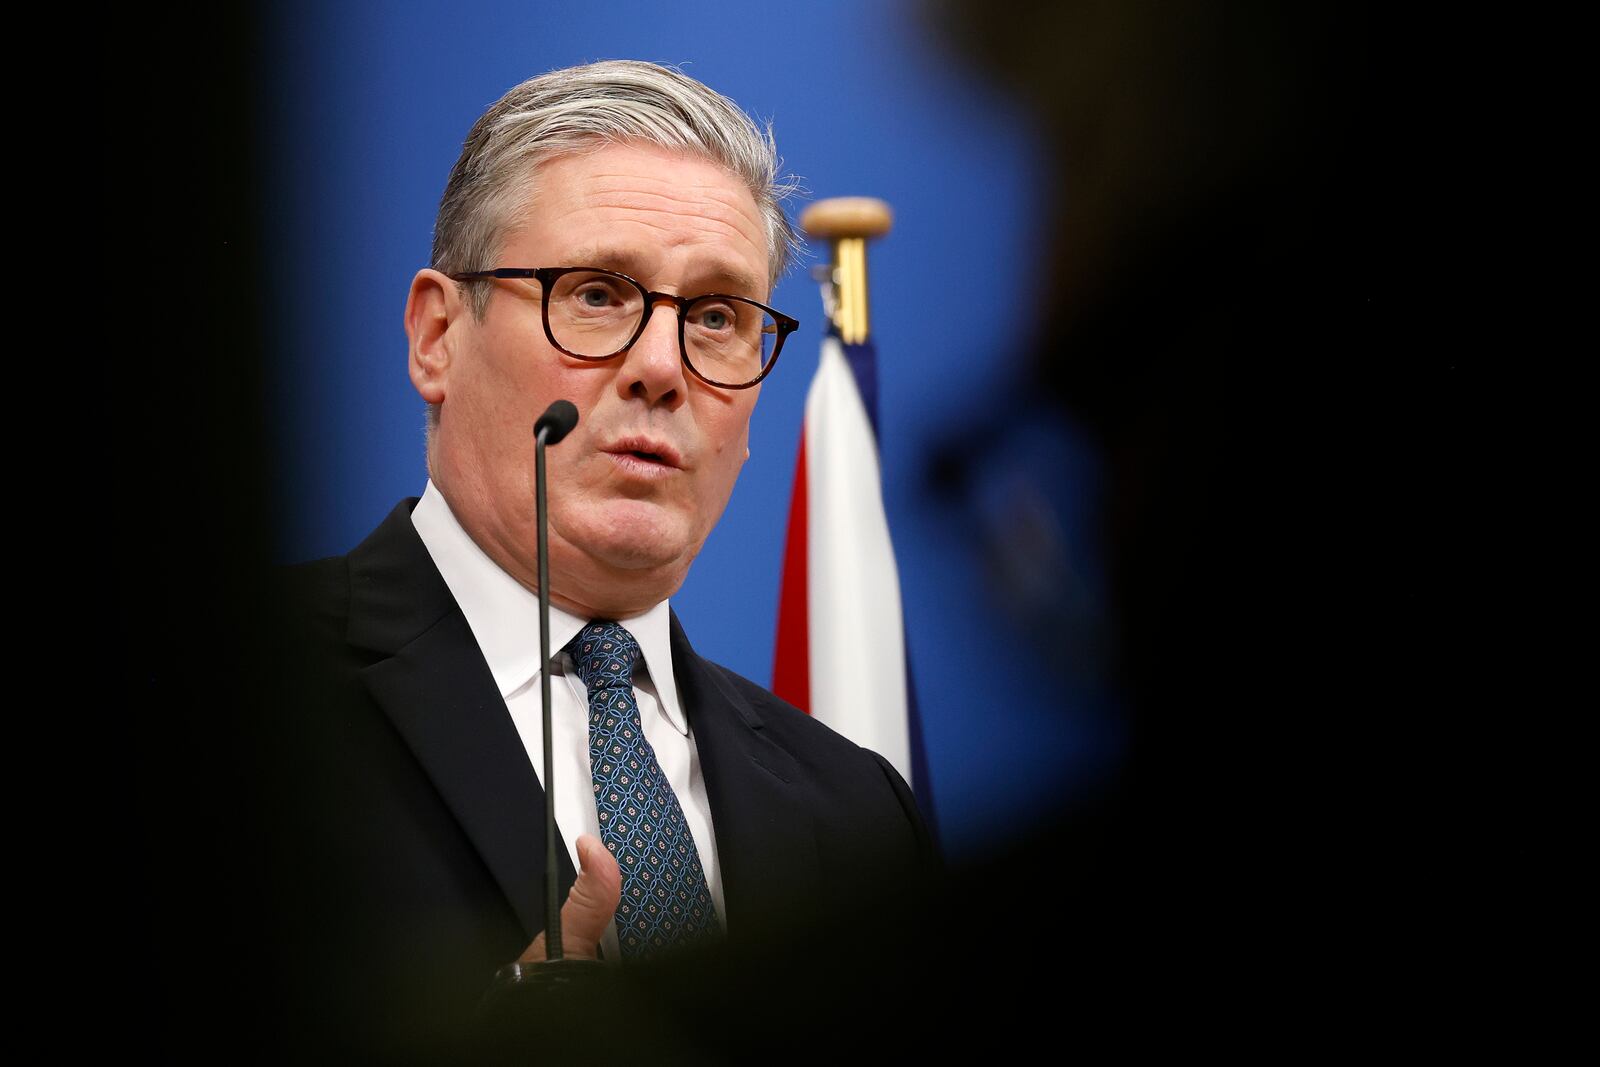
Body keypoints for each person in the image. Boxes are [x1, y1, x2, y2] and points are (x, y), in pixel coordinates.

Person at [263, 60, 934, 1058]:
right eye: (595, 292)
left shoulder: (856, 808)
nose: (662, 367)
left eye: (715, 316)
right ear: (438, 335)